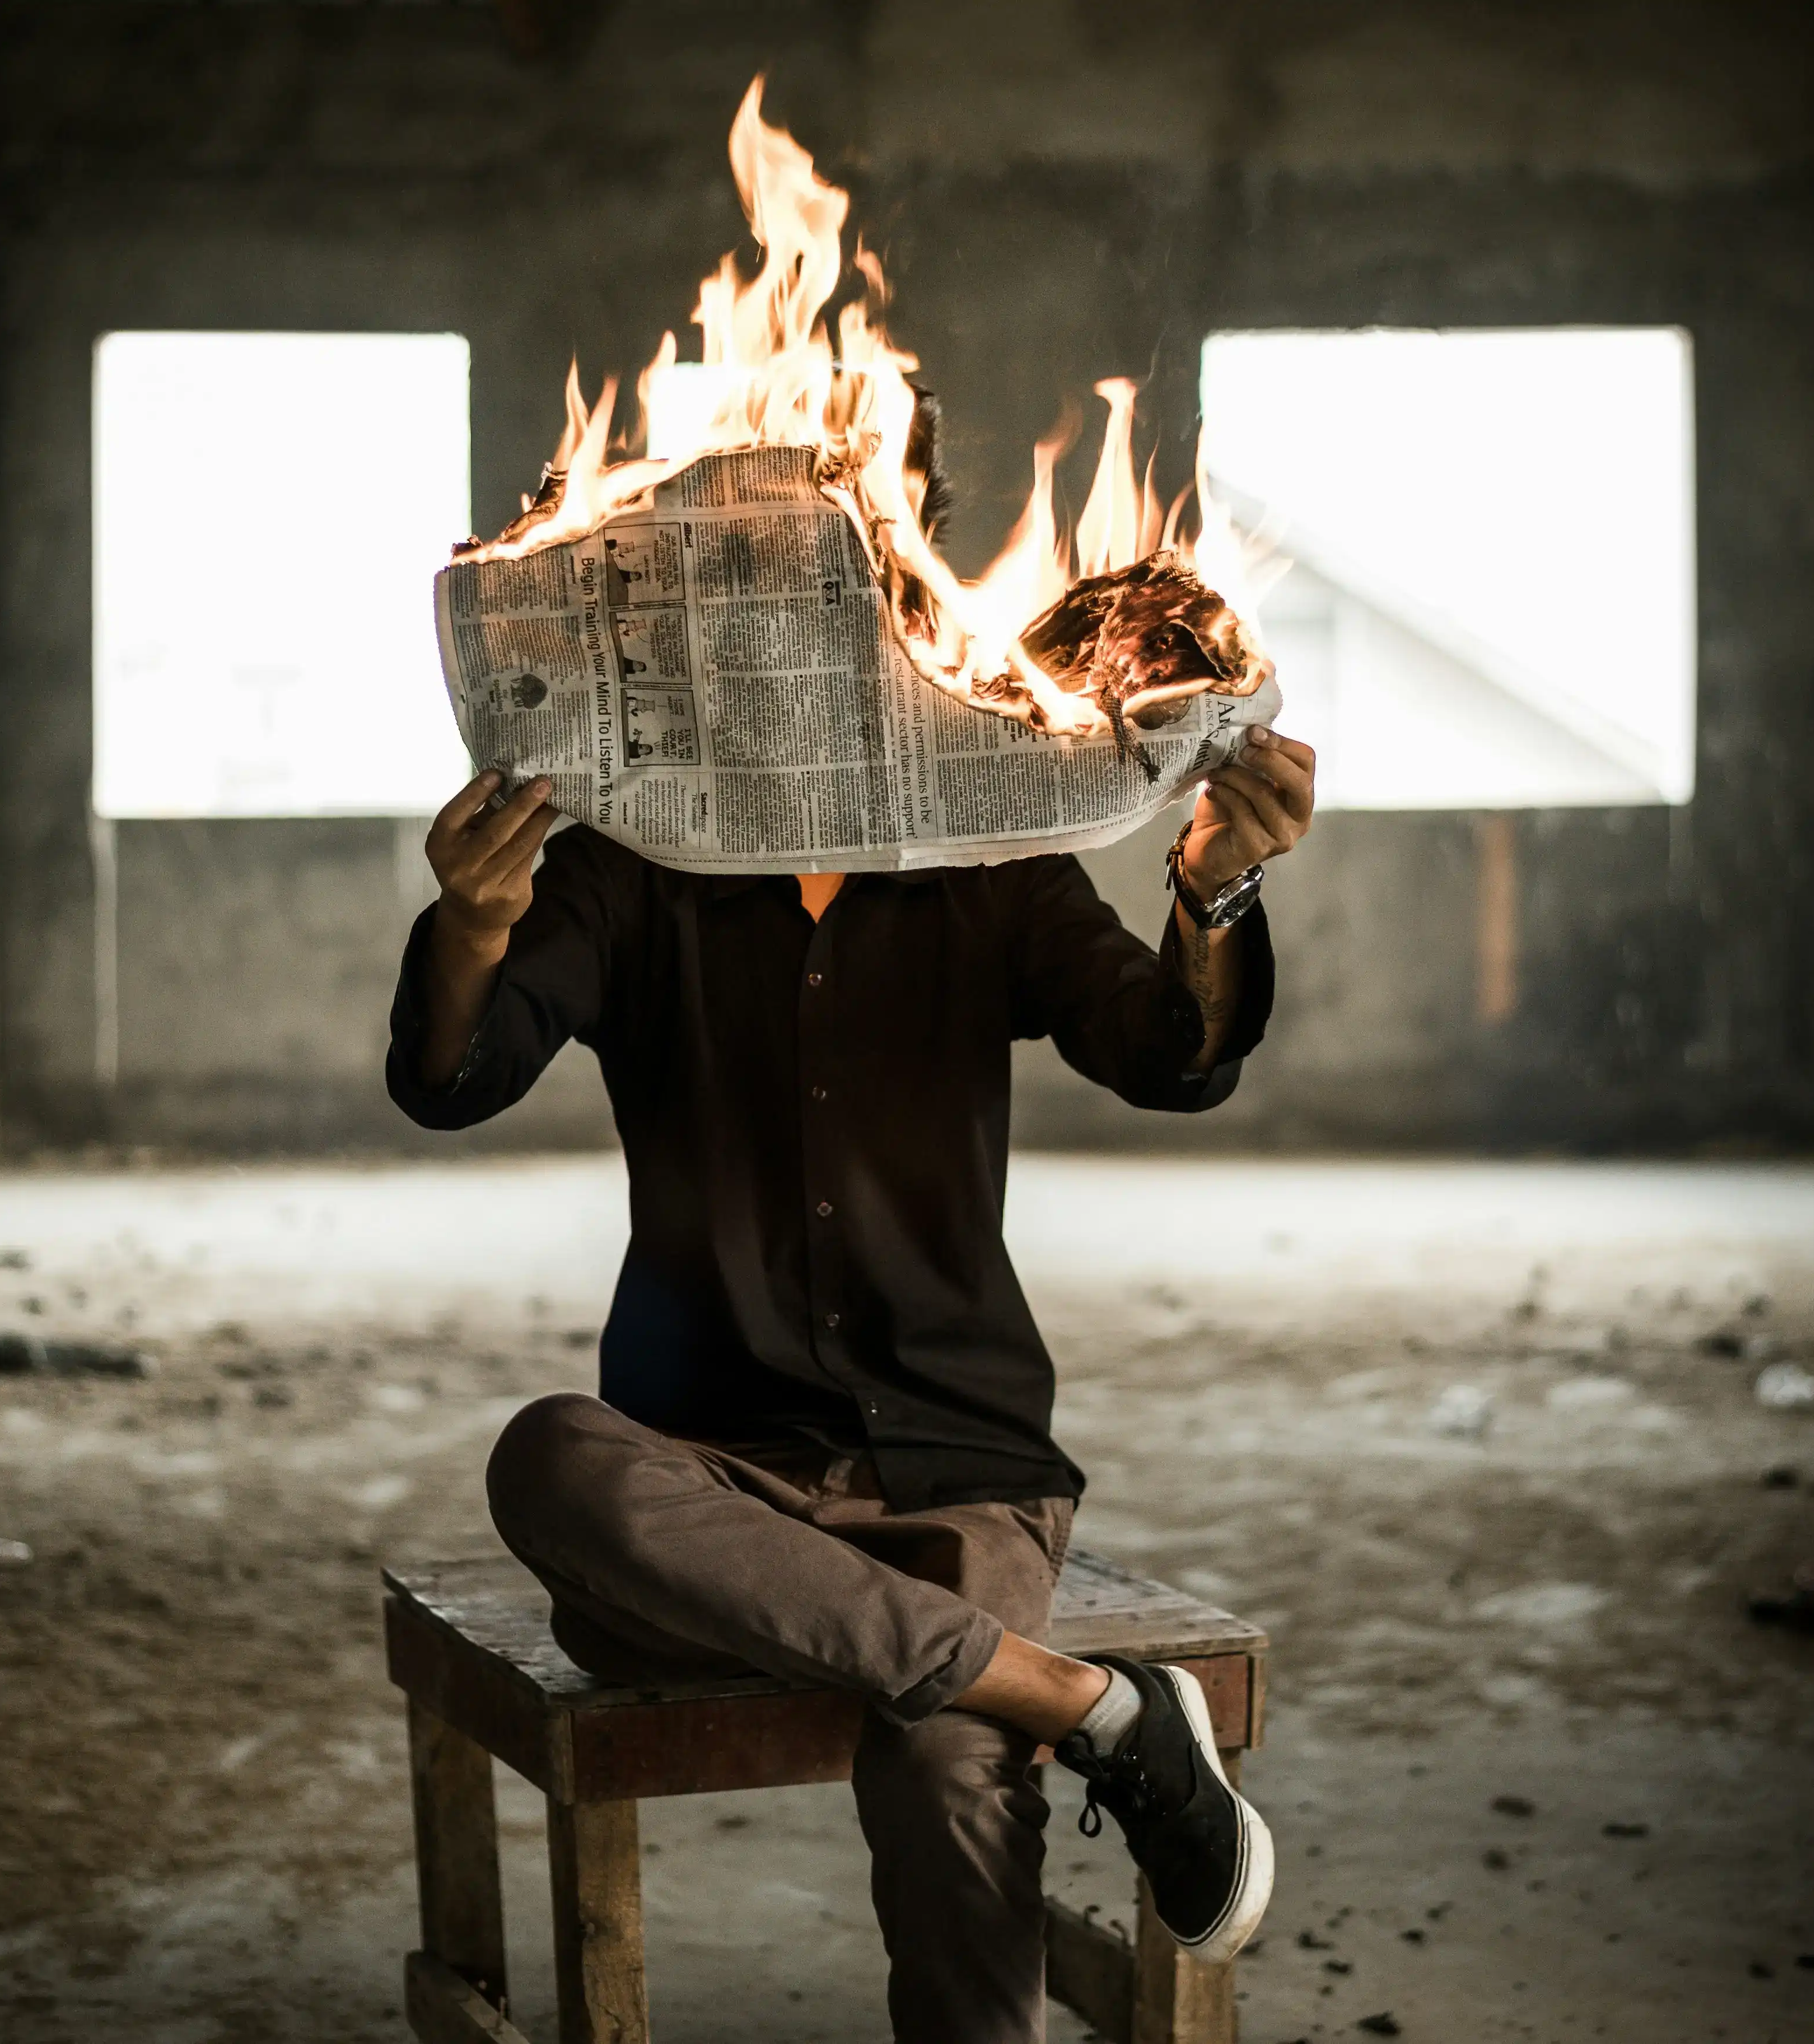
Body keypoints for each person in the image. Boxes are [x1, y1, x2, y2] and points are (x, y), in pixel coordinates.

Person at [386, 422, 1316, 2044]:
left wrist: (1215, 890)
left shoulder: (988, 860)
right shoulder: (631, 875)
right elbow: (450, 1075)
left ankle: (1024, 1705)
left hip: (956, 1470)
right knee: (551, 1454)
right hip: (713, 1484)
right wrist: (473, 921)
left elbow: (1168, 1055)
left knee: (949, 1750)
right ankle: (1095, 1713)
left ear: (896, 601)